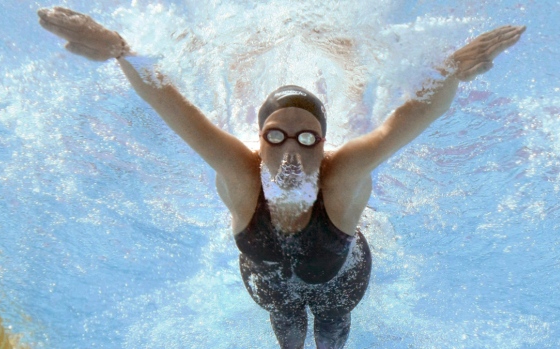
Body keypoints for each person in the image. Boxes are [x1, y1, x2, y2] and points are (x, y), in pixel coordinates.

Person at [37, 7, 525, 349]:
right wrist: (122, 51)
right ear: (259, 138)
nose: (291, 150)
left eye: (308, 139)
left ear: (324, 143)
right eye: (276, 136)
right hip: (271, 285)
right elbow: (173, 107)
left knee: (333, 327)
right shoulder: (240, 173)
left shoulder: (341, 174)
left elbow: (407, 121)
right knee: (286, 328)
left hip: (341, 280)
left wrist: (452, 73)